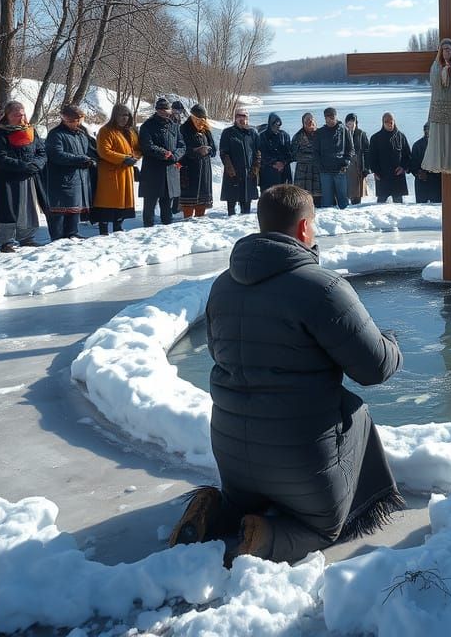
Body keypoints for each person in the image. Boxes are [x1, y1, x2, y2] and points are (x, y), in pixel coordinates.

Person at [169, 184, 405, 562]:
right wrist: (392, 343)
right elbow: (374, 367)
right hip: (302, 462)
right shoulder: (323, 287)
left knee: (249, 488)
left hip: (234, 460)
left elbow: (218, 352)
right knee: (352, 427)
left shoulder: (222, 286)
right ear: (304, 230)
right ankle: (263, 540)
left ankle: (215, 513)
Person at [0, 101, 47, 253]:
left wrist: (37, 165)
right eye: (16, 115)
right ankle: (6, 241)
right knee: (8, 209)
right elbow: (0, 158)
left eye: (22, 115)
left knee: (28, 207)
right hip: (8, 178)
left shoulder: (31, 131)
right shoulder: (0, 134)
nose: (21, 118)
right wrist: (23, 166)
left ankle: (27, 237)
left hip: (29, 177)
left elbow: (41, 152)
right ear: (8, 116)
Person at [44, 104, 97, 241]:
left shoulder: (81, 134)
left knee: (75, 207)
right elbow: (56, 154)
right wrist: (79, 160)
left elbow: (90, 152)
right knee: (60, 210)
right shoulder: (56, 134)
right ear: (65, 120)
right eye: (74, 121)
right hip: (61, 179)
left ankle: (72, 232)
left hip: (79, 177)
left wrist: (92, 161)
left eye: (79, 120)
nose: (78, 123)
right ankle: (58, 237)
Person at [91, 103, 141, 235]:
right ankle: (103, 231)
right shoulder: (106, 131)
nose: (125, 118)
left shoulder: (130, 131)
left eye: (127, 115)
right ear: (115, 116)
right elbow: (104, 151)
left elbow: (137, 148)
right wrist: (123, 158)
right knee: (107, 203)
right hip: (110, 172)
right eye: (121, 115)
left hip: (126, 171)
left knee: (122, 203)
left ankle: (118, 228)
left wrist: (134, 157)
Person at [421, 38, 451, 175]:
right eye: (445, 49)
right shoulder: (435, 66)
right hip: (439, 107)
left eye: (449, 49)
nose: (447, 51)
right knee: (438, 139)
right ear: (440, 51)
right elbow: (435, 83)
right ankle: (438, 162)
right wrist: (442, 71)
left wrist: (450, 71)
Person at [138, 97, 185, 227]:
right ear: (156, 110)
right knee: (150, 205)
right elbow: (147, 145)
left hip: (170, 170)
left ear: (170, 110)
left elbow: (182, 146)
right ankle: (147, 229)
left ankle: (166, 229)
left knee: (167, 206)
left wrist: (174, 156)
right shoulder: (147, 125)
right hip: (153, 170)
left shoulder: (175, 127)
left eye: (166, 109)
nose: (163, 111)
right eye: (160, 109)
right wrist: (163, 153)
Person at [220, 108, 260, 216]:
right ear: (235, 118)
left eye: (245, 116)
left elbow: (258, 152)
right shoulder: (228, 133)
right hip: (232, 173)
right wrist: (230, 169)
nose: (242, 119)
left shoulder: (253, 133)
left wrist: (255, 169)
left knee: (246, 207)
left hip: (249, 173)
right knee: (231, 206)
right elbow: (224, 153)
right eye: (239, 116)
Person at [180, 103, 216, 219]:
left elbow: (214, 149)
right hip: (189, 171)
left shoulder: (206, 130)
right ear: (192, 117)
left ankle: (199, 223)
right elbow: (181, 150)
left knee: (202, 205)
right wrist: (196, 151)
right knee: (188, 206)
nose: (201, 122)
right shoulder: (183, 129)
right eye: (199, 120)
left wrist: (208, 150)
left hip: (204, 170)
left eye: (204, 120)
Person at [312, 107, 351, 210]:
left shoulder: (344, 130)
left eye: (332, 117)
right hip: (325, 172)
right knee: (327, 202)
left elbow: (350, 149)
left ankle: (346, 223)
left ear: (336, 116)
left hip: (340, 170)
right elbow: (315, 152)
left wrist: (346, 162)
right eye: (327, 117)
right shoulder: (320, 132)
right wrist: (320, 166)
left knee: (343, 201)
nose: (330, 119)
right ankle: (328, 224)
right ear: (325, 118)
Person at [369, 113, 411, 204]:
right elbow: (371, 157)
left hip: (397, 175)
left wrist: (403, 167)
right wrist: (375, 171)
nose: (389, 124)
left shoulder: (401, 136)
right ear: (383, 123)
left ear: (394, 121)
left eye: (391, 121)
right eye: (386, 122)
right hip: (382, 175)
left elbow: (407, 155)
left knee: (398, 203)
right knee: (381, 203)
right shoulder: (375, 138)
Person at [290, 112, 322, 207]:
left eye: (311, 120)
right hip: (303, 171)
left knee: (318, 197)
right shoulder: (297, 136)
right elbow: (293, 155)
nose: (310, 122)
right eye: (307, 120)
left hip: (318, 169)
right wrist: (310, 157)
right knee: (302, 197)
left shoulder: (321, 134)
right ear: (303, 123)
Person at [258, 113, 292, 191]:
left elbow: (290, 153)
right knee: (268, 198)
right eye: (275, 124)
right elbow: (261, 154)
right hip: (268, 173)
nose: (277, 127)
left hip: (284, 172)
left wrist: (283, 163)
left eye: (279, 125)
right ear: (271, 124)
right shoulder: (262, 136)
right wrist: (274, 163)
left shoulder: (284, 135)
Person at [410, 123, 441, 204]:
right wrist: (418, 173)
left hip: (436, 181)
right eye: (426, 130)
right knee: (421, 207)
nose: (428, 132)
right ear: (424, 131)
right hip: (421, 182)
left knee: (437, 206)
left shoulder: (440, 145)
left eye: (430, 130)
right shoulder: (417, 145)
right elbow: (412, 164)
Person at [345, 113, 370, 204]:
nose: (350, 125)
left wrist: (367, 168)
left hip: (359, 165)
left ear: (356, 123)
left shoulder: (361, 134)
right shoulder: (342, 134)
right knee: (349, 189)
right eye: (348, 123)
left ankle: (357, 205)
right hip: (348, 166)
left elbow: (367, 152)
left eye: (352, 122)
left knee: (358, 191)